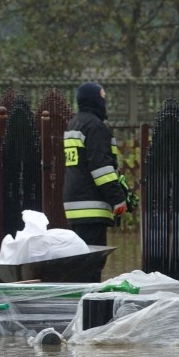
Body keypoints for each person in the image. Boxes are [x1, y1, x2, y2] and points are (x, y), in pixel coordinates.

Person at [62, 81, 128, 247]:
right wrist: (118, 198)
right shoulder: (95, 126)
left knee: (80, 260)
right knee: (92, 263)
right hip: (92, 205)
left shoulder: (74, 124)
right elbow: (101, 169)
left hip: (74, 205)